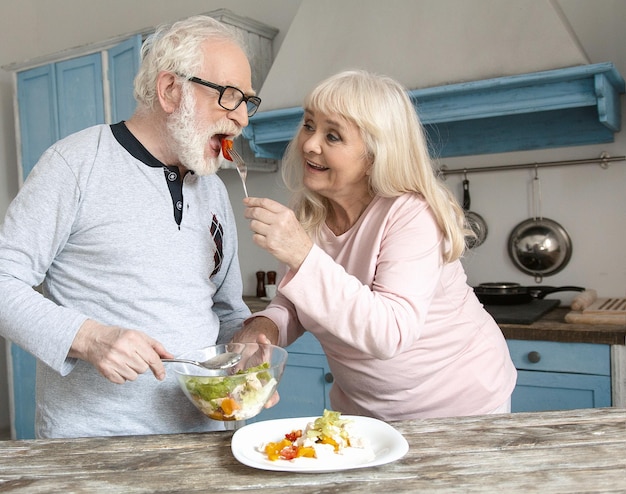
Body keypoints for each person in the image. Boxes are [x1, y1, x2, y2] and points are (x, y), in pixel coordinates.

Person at [0, 15, 259, 438]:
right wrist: (87, 337)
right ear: (171, 90)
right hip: (97, 450)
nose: (243, 118)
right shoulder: (75, 164)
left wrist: (250, 358)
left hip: (207, 439)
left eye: (249, 101)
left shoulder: (212, 189)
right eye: (230, 96)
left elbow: (228, 313)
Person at [234, 70, 517, 420]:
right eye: (309, 125)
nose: (309, 143)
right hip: (366, 412)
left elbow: (390, 333)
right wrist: (264, 328)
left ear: (374, 155)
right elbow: (295, 303)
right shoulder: (310, 214)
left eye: (332, 135)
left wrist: (302, 255)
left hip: (460, 408)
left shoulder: (412, 214)